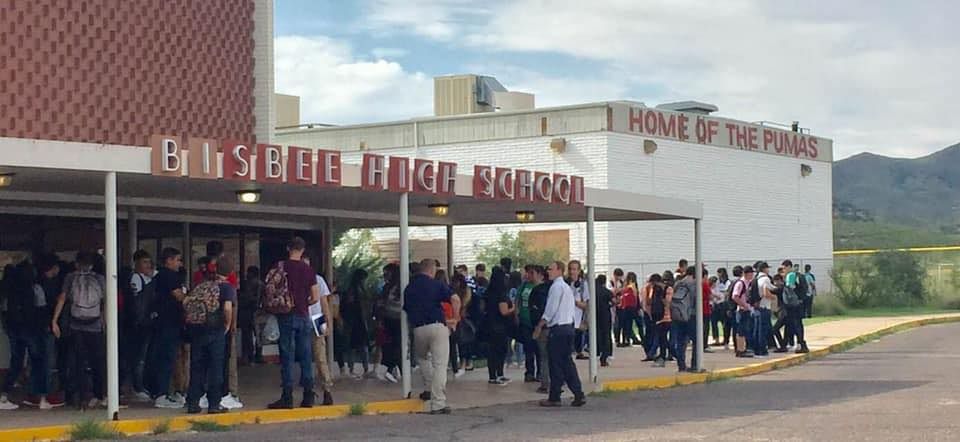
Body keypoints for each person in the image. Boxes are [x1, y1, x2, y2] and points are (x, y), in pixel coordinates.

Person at [267, 237, 321, 409]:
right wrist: (304, 303)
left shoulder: (280, 267)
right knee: (306, 356)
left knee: (287, 356)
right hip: (304, 316)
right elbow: (315, 297)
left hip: (286, 315)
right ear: (303, 250)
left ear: (288, 248)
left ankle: (287, 396)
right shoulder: (308, 270)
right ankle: (308, 396)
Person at [51, 252, 107, 409]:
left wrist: (54, 320)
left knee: (77, 362)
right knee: (97, 361)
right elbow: (105, 302)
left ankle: (80, 397)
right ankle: (98, 394)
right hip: (95, 325)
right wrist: (105, 323)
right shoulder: (100, 279)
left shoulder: (70, 278)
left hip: (76, 324)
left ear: (77, 264)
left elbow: (62, 298)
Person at [404, 258, 459, 415]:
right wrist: (455, 319)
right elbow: (455, 299)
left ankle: (428, 387)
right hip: (437, 327)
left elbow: (407, 310)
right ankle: (438, 403)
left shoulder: (409, 288)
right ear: (431, 269)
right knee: (440, 365)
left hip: (418, 329)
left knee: (422, 359)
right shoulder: (436, 284)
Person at [184, 256, 235, 414]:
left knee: (197, 366)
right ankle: (214, 403)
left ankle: (193, 402)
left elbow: (186, 302)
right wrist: (227, 324)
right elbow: (227, 308)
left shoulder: (203, 285)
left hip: (197, 329)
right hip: (215, 330)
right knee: (216, 367)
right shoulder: (227, 288)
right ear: (230, 271)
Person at [1, 261, 53, 410]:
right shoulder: (35, 289)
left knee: (16, 363)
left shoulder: (11, 291)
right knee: (39, 363)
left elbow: (5, 312)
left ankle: (4, 395)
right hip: (33, 331)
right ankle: (41, 398)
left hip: (15, 331)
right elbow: (42, 310)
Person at [534, 261, 586, 407]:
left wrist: (540, 325)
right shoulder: (566, 288)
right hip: (568, 328)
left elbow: (550, 310)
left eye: (550, 269)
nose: (548, 272)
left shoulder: (556, 287)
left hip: (558, 330)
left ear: (559, 271)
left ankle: (555, 397)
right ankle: (577, 393)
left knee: (555, 364)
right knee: (566, 363)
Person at [126, 250, 156, 402]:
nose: (148, 265)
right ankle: (136, 386)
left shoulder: (148, 278)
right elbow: (136, 301)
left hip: (147, 323)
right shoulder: (136, 279)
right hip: (139, 324)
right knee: (139, 357)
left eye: (149, 262)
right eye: (144, 262)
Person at [484, 267, 515, 385]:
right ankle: (499, 374)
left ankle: (493, 375)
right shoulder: (501, 295)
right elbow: (504, 311)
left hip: (489, 324)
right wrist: (513, 308)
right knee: (500, 350)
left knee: (491, 351)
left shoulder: (488, 293)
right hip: (500, 326)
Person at [340, 269, 370, 379]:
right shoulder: (357, 291)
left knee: (352, 347)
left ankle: (352, 368)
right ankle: (364, 368)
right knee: (361, 346)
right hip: (357, 321)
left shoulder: (351, 290)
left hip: (353, 321)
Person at [375, 263, 403, 383]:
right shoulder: (387, 287)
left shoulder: (401, 286)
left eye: (387, 273)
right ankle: (393, 369)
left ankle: (394, 369)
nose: (385, 276)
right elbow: (381, 303)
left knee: (397, 344)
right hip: (389, 319)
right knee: (390, 345)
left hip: (398, 319)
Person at [671, 266, 699, 372]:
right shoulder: (694, 284)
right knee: (696, 341)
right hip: (691, 315)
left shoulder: (678, 283)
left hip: (678, 315)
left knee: (680, 341)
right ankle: (695, 364)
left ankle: (681, 365)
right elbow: (695, 300)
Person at [527, 266, 550, 393]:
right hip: (554, 325)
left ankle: (545, 383)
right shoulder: (553, 289)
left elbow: (534, 310)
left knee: (544, 356)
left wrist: (537, 325)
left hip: (541, 326)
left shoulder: (536, 291)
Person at [516, 265, 539, 382]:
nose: (528, 275)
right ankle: (529, 372)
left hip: (536, 322)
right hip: (525, 321)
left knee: (539, 349)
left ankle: (541, 373)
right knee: (528, 348)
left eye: (531, 273)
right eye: (527, 273)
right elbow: (518, 299)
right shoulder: (524, 285)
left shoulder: (540, 286)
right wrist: (517, 313)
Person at [783, 260, 810, 354]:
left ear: (788, 267)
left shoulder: (791, 275)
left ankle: (800, 344)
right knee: (795, 324)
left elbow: (789, 289)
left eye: (784, 268)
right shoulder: (800, 275)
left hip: (793, 305)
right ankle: (794, 343)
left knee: (796, 324)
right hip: (799, 303)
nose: (784, 270)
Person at [644, 274, 671, 366]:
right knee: (661, 338)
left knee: (663, 338)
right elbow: (649, 301)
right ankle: (663, 355)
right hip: (657, 316)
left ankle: (666, 356)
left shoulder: (667, 289)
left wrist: (661, 296)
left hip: (666, 317)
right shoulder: (654, 289)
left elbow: (668, 303)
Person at [238, 266, 263, 366]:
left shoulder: (247, 283)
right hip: (257, 312)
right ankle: (257, 356)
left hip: (247, 311)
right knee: (257, 335)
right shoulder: (260, 284)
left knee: (247, 335)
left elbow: (247, 297)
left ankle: (249, 356)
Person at [567, 260, 590, 360]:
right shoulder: (565, 283)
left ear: (579, 271)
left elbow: (586, 304)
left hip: (577, 321)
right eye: (570, 269)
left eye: (574, 269)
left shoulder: (583, 285)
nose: (572, 272)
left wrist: (575, 301)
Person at [731, 266, 755, 358]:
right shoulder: (740, 283)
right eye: (751, 273)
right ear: (746, 273)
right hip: (742, 310)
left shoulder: (747, 283)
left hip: (746, 309)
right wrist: (744, 305)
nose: (752, 275)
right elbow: (735, 296)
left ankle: (742, 348)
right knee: (741, 330)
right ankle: (740, 350)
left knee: (744, 330)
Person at [615, 272, 639, 347]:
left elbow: (633, 295)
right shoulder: (629, 286)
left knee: (627, 324)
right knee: (625, 324)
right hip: (627, 307)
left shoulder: (630, 286)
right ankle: (625, 339)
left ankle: (626, 340)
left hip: (628, 307)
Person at [595, 275, 614, 367]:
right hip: (605, 315)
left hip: (594, 315)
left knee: (597, 334)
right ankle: (604, 356)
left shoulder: (592, 290)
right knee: (606, 335)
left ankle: (597, 351)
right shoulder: (606, 291)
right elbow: (614, 301)